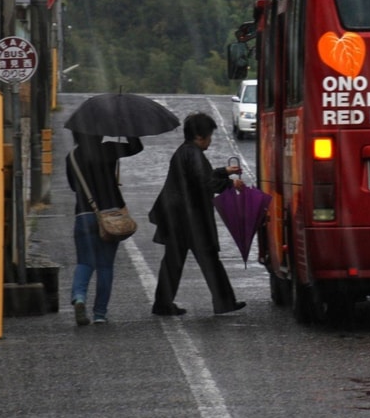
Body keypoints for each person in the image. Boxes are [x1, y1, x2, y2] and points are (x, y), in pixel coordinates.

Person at [149, 112, 247, 316]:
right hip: (190, 219)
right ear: (200, 136)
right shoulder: (193, 154)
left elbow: (200, 176)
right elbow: (205, 182)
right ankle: (224, 302)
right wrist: (231, 183)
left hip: (177, 217)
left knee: (173, 262)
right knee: (208, 258)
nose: (210, 141)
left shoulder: (185, 151)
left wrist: (223, 171)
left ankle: (163, 304)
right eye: (209, 136)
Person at [67, 132, 143, 326]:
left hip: (84, 214)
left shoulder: (72, 157)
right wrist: (126, 128)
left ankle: (79, 297)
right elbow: (136, 147)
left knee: (84, 262)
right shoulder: (109, 149)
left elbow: (74, 187)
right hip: (110, 215)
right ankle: (100, 314)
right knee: (105, 265)